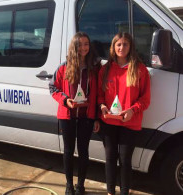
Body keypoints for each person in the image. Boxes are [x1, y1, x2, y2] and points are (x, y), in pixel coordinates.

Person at [98, 32, 151, 195]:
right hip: (108, 122)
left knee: (125, 160)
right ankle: (110, 192)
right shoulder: (105, 69)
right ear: (113, 47)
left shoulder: (140, 69)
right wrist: (102, 106)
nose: (121, 47)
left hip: (130, 123)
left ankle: (124, 192)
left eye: (125, 44)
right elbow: (99, 95)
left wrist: (133, 110)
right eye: (118, 44)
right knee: (110, 160)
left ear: (131, 47)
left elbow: (145, 99)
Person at [49, 32, 100, 195]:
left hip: (87, 116)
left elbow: (99, 93)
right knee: (69, 151)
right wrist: (65, 100)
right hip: (67, 115)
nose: (83, 47)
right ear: (74, 47)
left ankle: (81, 185)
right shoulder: (64, 67)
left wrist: (97, 116)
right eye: (80, 44)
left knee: (83, 151)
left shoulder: (95, 67)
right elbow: (53, 88)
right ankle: (69, 185)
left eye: (86, 44)